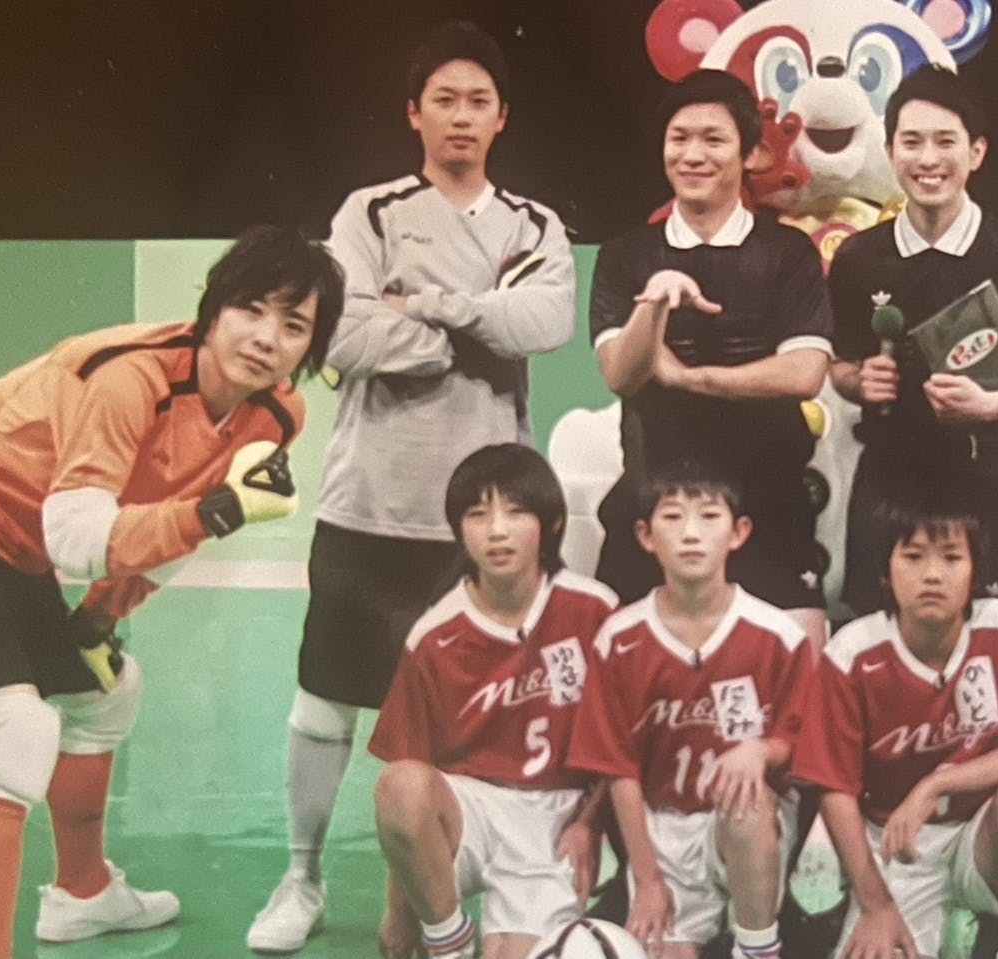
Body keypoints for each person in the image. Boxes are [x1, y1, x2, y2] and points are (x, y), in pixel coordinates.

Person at [0, 225, 340, 959]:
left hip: (14, 542)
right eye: (251, 309)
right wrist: (215, 511)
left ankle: (82, 897)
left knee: (107, 691)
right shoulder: (128, 378)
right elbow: (78, 537)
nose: (266, 337)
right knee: (10, 731)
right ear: (214, 308)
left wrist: (101, 614)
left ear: (311, 347)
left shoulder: (275, 415)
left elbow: (174, 520)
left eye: (294, 325)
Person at [248, 21, 577, 954]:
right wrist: (472, 331)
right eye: (444, 100)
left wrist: (424, 305)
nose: (460, 116)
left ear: (502, 117)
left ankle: (464, 885)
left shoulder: (534, 225)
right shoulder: (371, 212)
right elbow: (345, 335)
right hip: (369, 504)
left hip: (484, 517)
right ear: (414, 113)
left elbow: (545, 322)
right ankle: (302, 876)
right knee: (325, 702)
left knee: (474, 718)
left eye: (478, 101)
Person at [588, 69, 833, 648]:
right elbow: (621, 374)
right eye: (679, 138)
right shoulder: (626, 256)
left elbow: (804, 373)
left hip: (769, 508)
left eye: (713, 139)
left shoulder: (789, 252)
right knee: (625, 679)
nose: (693, 155)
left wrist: (691, 377)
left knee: (799, 678)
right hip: (654, 506)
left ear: (750, 154)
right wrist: (655, 302)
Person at [827, 65, 998, 617]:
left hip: (987, 474)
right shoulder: (859, 259)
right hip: (888, 475)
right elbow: (838, 364)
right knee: (873, 633)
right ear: (890, 152)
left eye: (945, 142)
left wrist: (994, 405)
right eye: (911, 142)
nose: (928, 159)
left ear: (976, 152)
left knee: (988, 636)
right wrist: (857, 381)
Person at [793, 486, 998, 959]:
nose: (932, 575)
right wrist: (876, 905)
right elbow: (833, 789)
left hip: (983, 836)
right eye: (914, 556)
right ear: (885, 571)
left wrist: (938, 783)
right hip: (899, 848)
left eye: (951, 557)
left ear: (975, 570)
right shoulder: (852, 653)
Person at [368, 444, 617, 959]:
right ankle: (449, 939)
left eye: (516, 512)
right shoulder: (434, 636)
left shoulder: (595, 610)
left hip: (556, 817)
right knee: (400, 783)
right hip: (472, 811)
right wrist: (399, 910)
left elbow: (622, 744)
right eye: (478, 515)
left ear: (550, 523)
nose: (497, 531)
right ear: (459, 530)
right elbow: (410, 784)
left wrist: (589, 826)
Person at [569, 462, 818, 959]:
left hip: (749, 825)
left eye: (708, 516)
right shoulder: (619, 639)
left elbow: (805, 742)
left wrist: (761, 750)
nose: (690, 533)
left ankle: (758, 947)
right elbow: (618, 768)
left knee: (746, 804)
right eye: (672, 517)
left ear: (738, 532)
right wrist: (647, 880)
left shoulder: (778, 636)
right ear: (645, 536)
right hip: (662, 825)